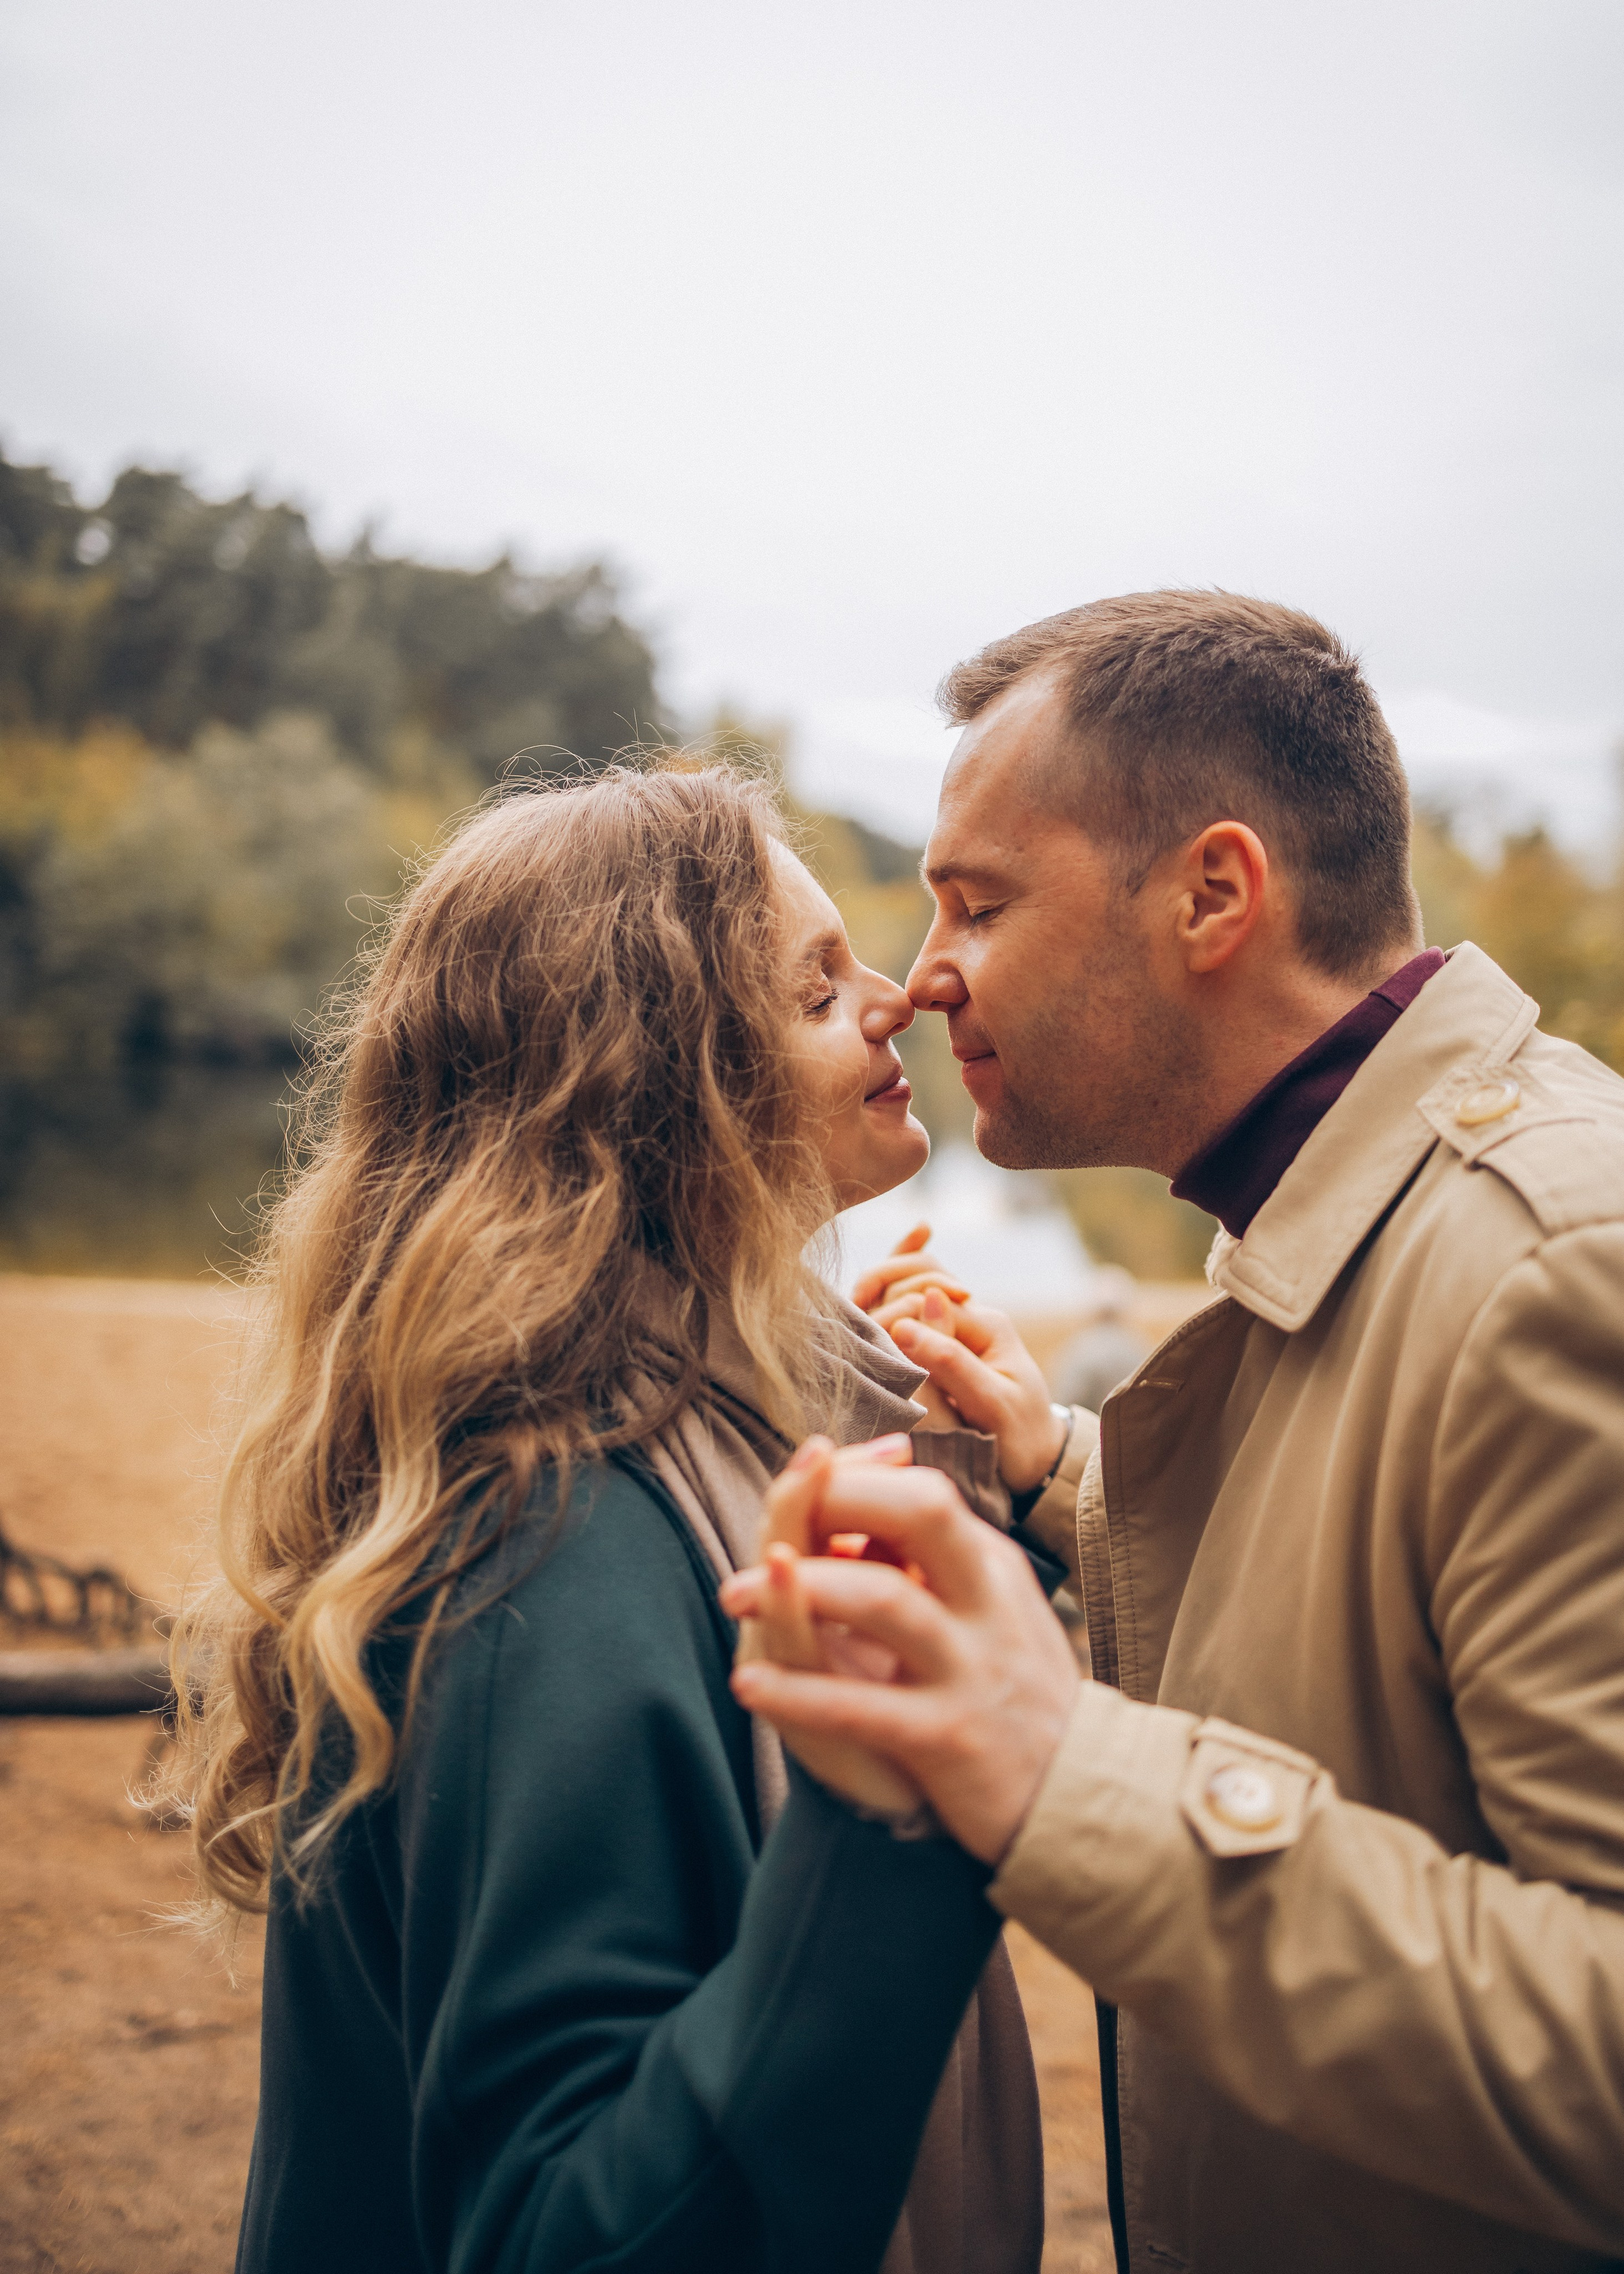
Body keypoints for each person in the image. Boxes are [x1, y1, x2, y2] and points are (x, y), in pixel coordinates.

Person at [724, 592, 1624, 2274]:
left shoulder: (1559, 1266)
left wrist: (1064, 1766)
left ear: (1214, 893)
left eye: (975, 904)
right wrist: (1066, 1480)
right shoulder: (1380, 1215)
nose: (923, 980)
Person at [166, 763, 1056, 2274]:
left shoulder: (740, 1415)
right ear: (658, 1084)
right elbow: (566, 2236)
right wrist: (903, 1812)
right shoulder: (549, 1536)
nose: (896, 996)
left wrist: (1007, 1493)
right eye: (814, 982)